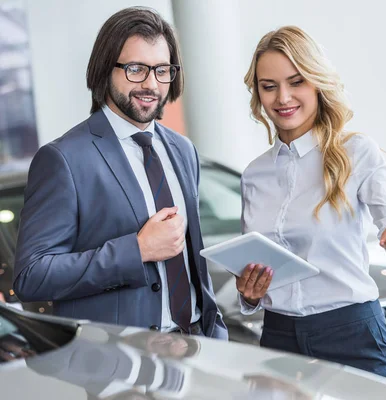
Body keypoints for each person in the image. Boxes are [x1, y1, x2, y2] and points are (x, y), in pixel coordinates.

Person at [12, 7, 227, 338]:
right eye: (136, 69)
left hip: (198, 346)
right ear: (105, 68)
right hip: (120, 364)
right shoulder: (63, 159)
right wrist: (137, 250)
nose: (151, 84)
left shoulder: (183, 150)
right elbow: (32, 276)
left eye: (161, 70)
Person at [235, 26, 386, 382]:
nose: (283, 97)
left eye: (297, 82)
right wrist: (248, 295)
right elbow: (253, 274)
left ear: (318, 83)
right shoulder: (254, 175)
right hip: (278, 339)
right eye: (269, 86)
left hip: (350, 334)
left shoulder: (356, 152)